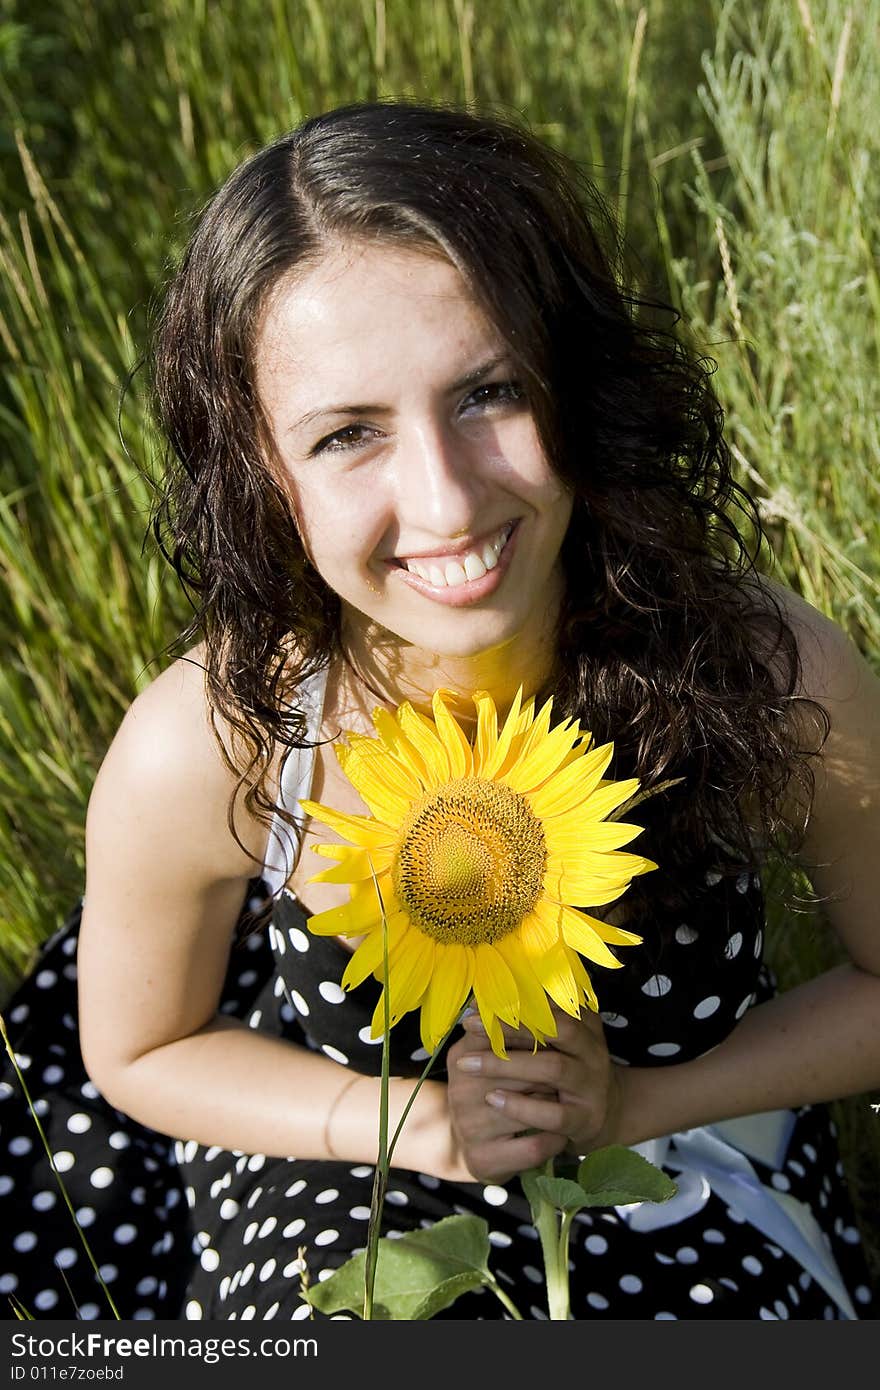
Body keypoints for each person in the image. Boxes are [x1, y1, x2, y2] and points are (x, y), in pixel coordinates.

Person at [1, 99, 878, 1323]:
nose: (446, 501)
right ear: (260, 474)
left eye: (488, 392)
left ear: (580, 382)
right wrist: (412, 1123)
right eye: (348, 433)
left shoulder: (757, 668)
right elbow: (140, 1049)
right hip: (341, 1168)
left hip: (684, 1169)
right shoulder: (216, 741)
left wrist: (633, 1105)